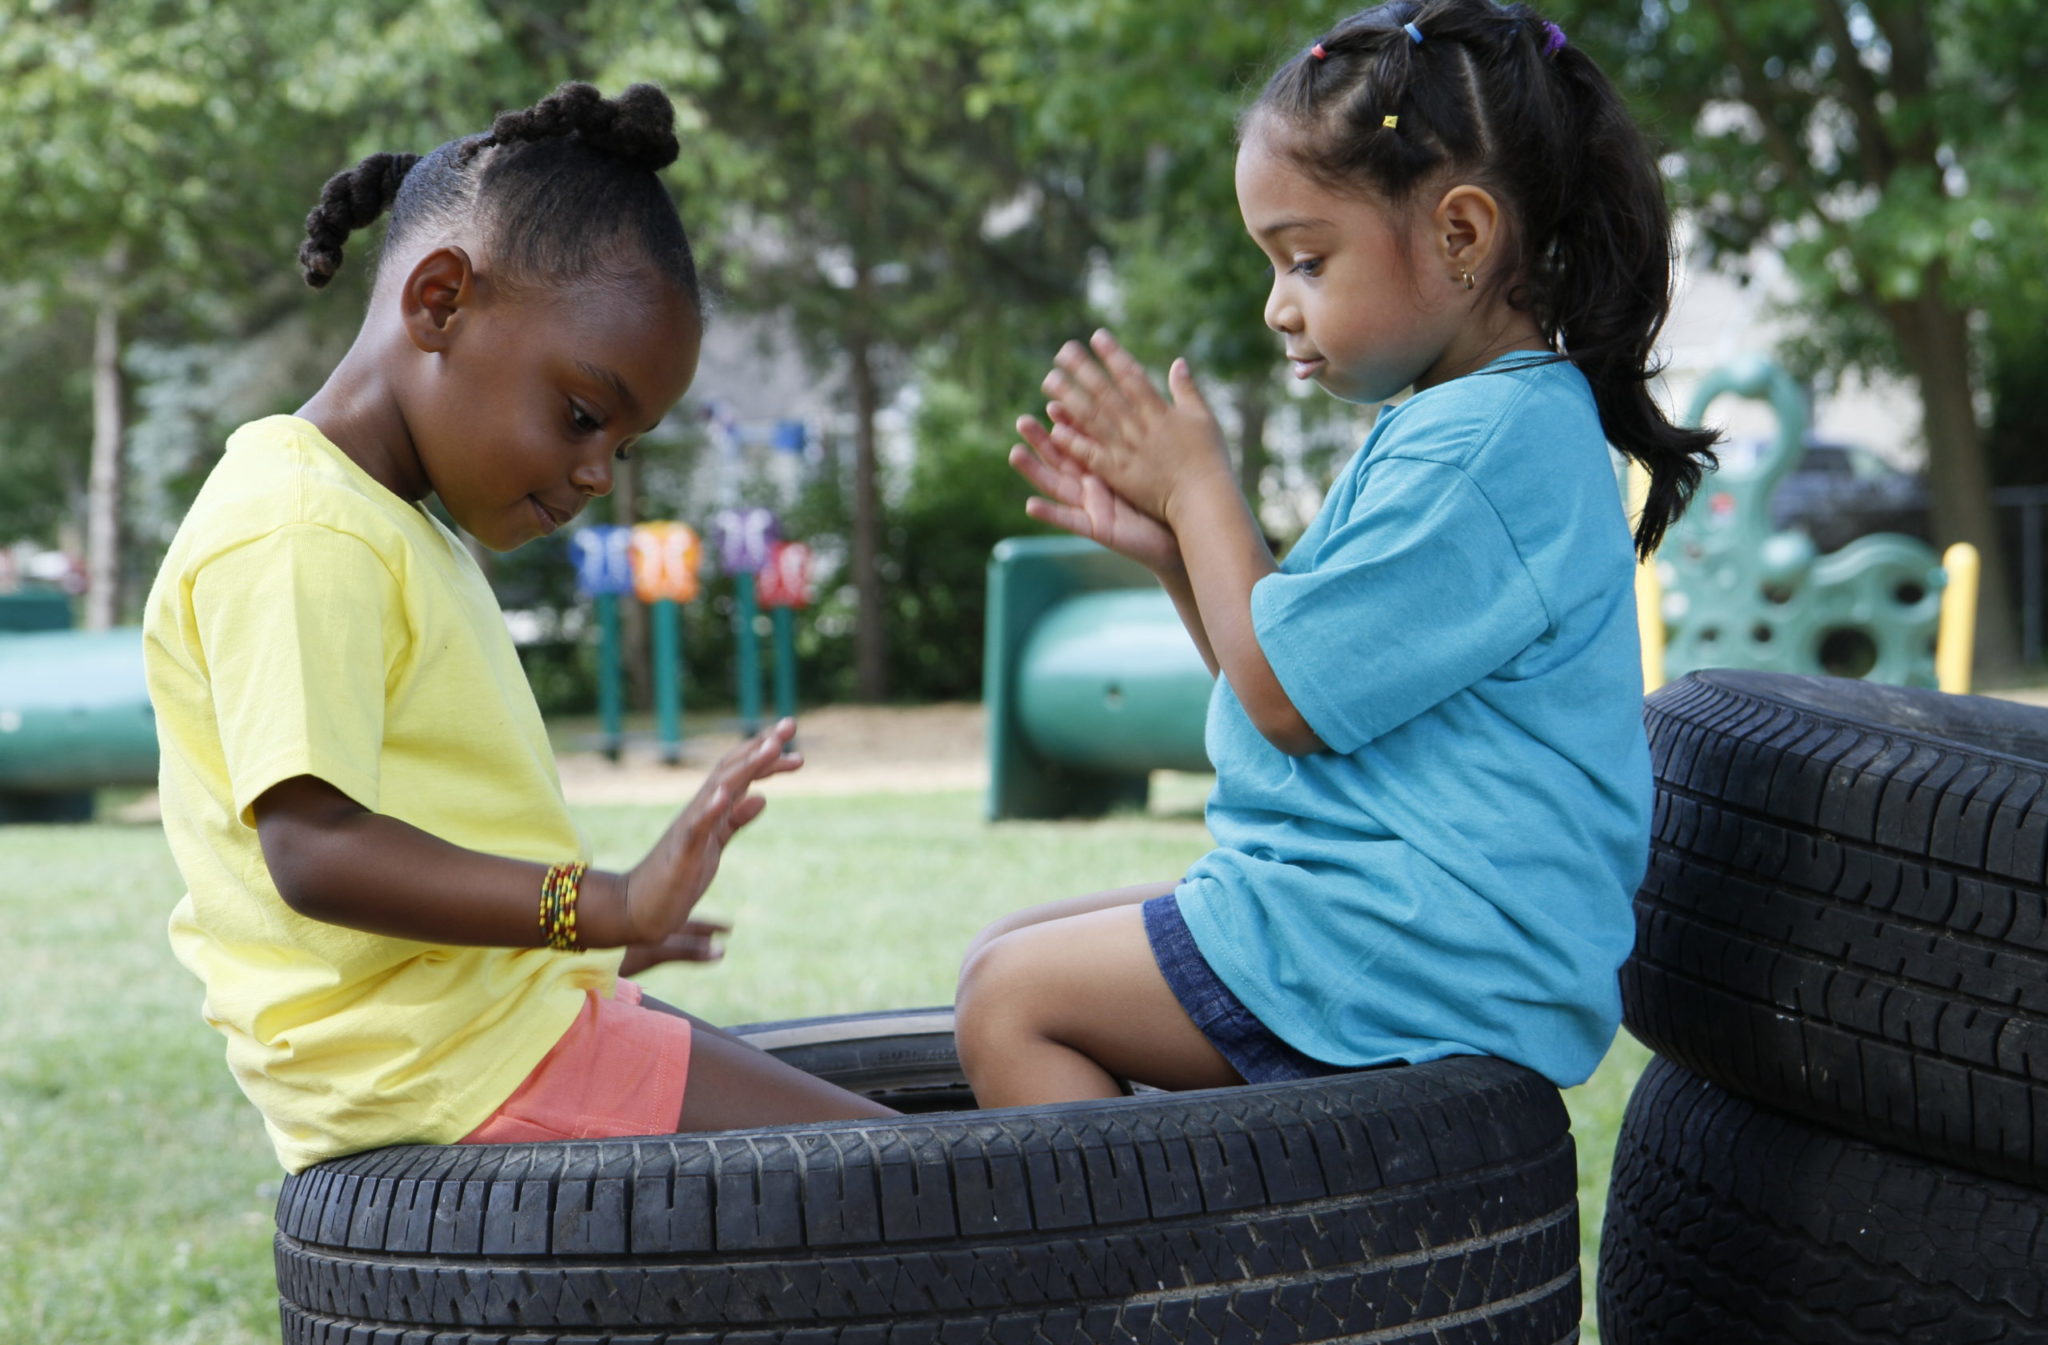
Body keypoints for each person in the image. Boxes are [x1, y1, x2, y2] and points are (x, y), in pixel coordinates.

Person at [954, 0, 1716, 1108]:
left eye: (1305, 259)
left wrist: (1198, 484)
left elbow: (1284, 698)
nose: (1277, 307)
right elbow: (1304, 679)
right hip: (1391, 912)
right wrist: (1175, 550)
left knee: (1010, 998)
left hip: (1427, 943)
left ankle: (1155, 1283)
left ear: (1461, 235)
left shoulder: (1486, 446)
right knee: (1012, 943)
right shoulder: (1466, 425)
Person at [144, 83, 891, 1175]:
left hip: (485, 1037)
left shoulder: (394, 529)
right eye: (586, 415)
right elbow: (313, 850)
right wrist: (597, 904)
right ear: (438, 302)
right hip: (449, 1064)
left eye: (622, 445)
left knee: (901, 1161)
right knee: (917, 1186)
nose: (596, 470)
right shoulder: (302, 528)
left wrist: (605, 936)